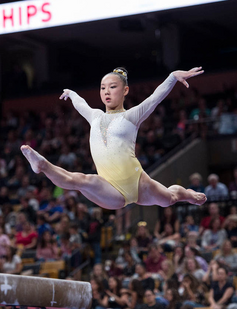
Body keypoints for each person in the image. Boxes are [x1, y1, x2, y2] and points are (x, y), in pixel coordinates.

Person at [21, 67, 206, 211]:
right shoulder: (95, 116)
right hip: (111, 190)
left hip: (137, 181)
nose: (107, 92)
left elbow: (154, 99)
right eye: (103, 88)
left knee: (170, 199)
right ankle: (42, 165)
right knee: (84, 181)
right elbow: (81, 104)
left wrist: (172, 77)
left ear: (125, 90)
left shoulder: (131, 116)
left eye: (113, 87)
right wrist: (71, 94)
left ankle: (188, 195)